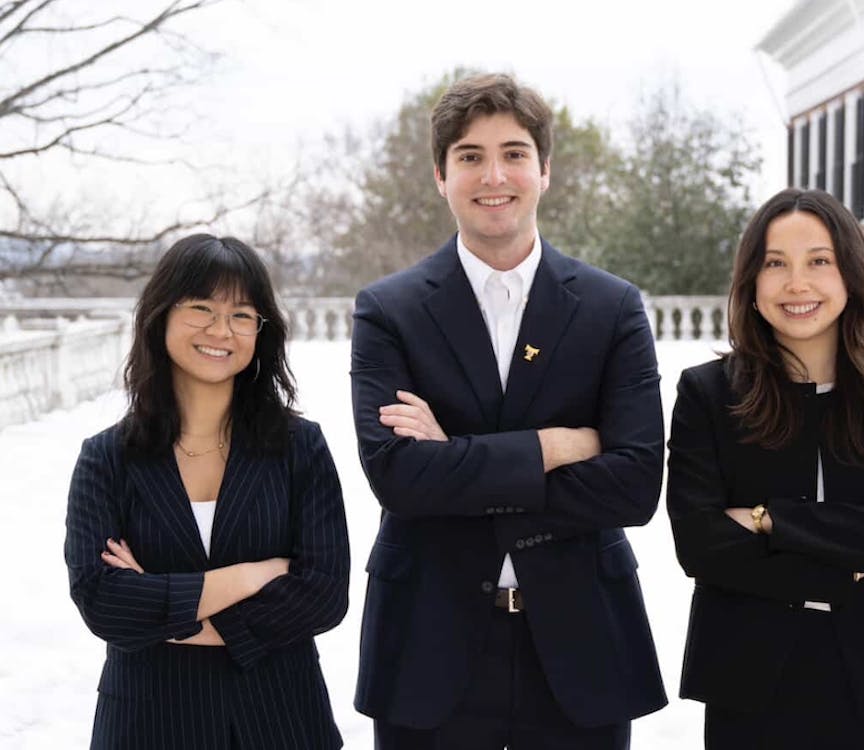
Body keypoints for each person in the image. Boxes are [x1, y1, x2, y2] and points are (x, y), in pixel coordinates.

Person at [350, 73, 666, 749]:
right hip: (428, 650)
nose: (494, 174)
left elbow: (635, 485)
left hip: (583, 647)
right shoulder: (388, 311)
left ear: (545, 170)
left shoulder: (613, 309)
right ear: (440, 174)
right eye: (470, 156)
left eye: (515, 153)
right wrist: (556, 447)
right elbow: (399, 480)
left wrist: (455, 462)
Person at [665, 188, 864, 749]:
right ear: (751, 282)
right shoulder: (707, 395)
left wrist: (768, 518)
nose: (797, 284)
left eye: (818, 261)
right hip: (748, 681)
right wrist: (850, 560)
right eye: (776, 264)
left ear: (850, 273)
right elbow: (700, 544)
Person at [64, 234, 350, 750]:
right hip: (150, 725)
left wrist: (166, 613)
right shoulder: (106, 458)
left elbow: (324, 595)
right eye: (201, 307)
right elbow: (103, 602)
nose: (222, 330)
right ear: (161, 316)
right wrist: (251, 575)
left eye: (242, 315)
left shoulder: (299, 447)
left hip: (282, 722)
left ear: (261, 332)